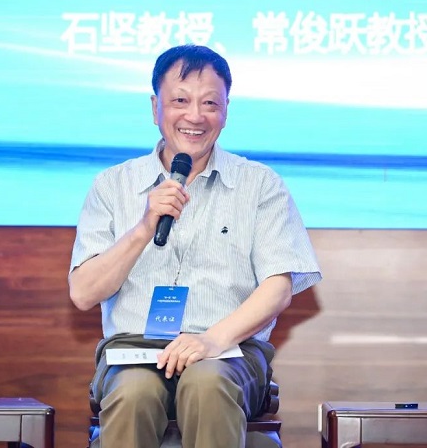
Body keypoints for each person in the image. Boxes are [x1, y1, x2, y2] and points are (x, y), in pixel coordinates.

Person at [69, 44, 321, 448]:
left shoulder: (260, 184)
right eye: (180, 101)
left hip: (230, 351)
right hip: (133, 350)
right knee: (133, 393)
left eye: (210, 103)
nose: (195, 116)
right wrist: (143, 227)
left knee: (206, 384)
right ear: (155, 107)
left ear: (226, 110)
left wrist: (212, 340)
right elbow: (83, 293)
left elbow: (278, 288)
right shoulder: (112, 185)